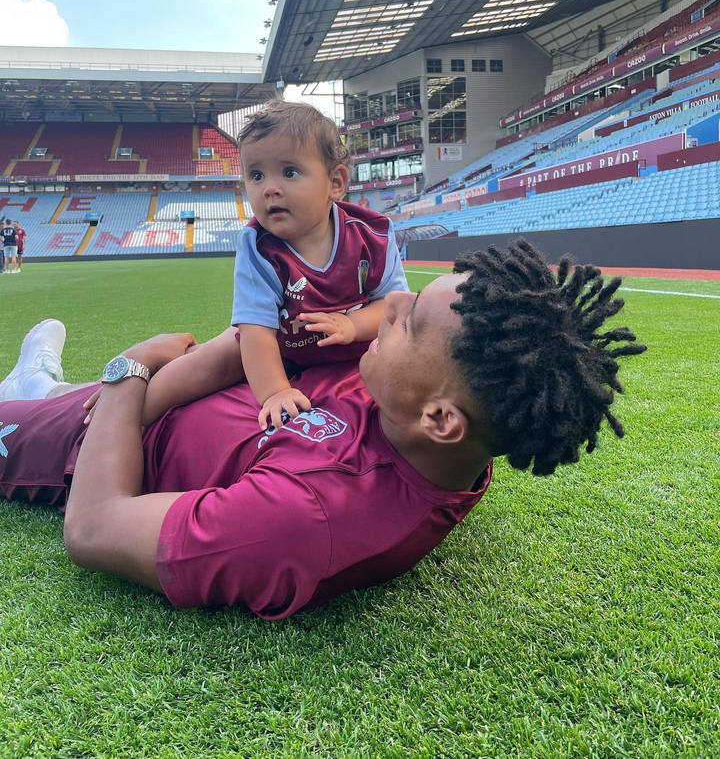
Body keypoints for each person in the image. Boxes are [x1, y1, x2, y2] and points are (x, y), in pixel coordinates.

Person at [0, 242, 645, 619]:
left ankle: (38, 394)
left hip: (83, 445)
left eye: (408, 322)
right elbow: (257, 346)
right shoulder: (424, 416)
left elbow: (91, 530)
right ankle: (42, 384)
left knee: (40, 411)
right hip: (149, 401)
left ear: (441, 419)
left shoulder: (308, 518)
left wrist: (128, 372)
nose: (389, 307)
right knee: (58, 392)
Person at [139, 101, 408, 431]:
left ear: (335, 183)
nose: (269, 188)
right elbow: (256, 333)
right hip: (279, 347)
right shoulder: (259, 245)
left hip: (353, 349)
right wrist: (276, 391)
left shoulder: (372, 233)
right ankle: (130, 410)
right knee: (203, 368)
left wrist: (352, 325)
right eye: (256, 175)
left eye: (290, 172)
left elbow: (394, 308)